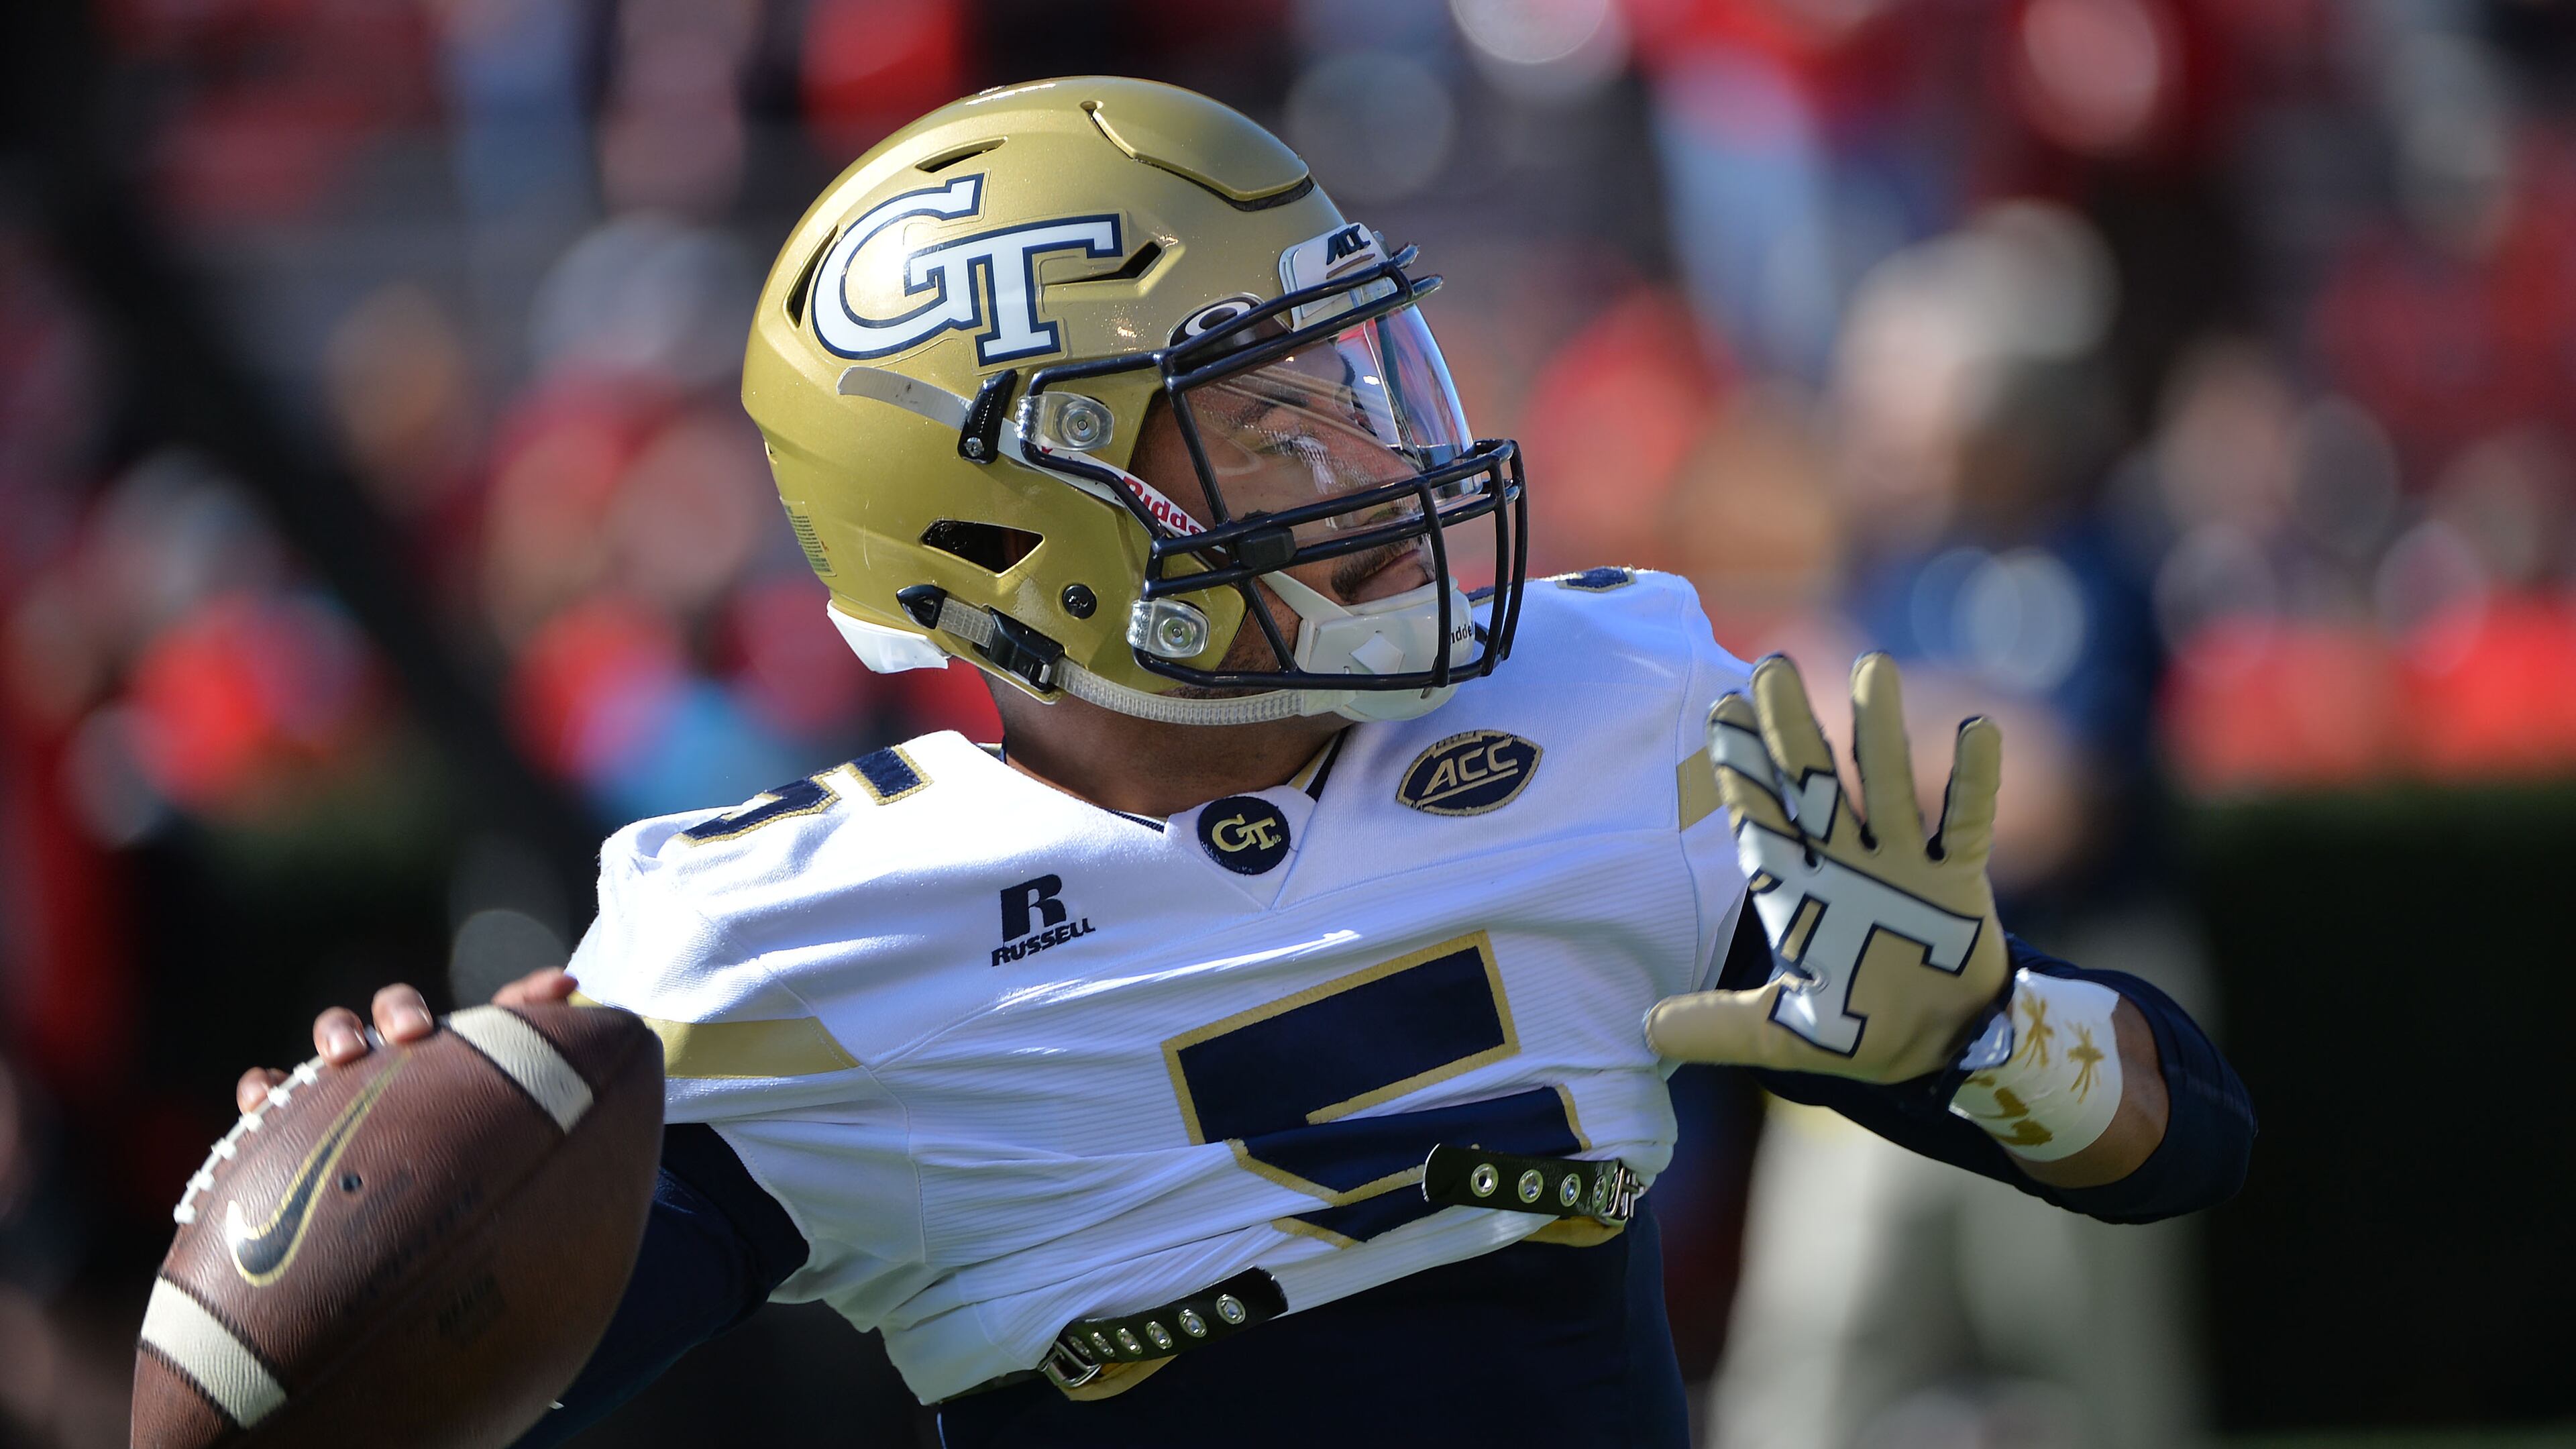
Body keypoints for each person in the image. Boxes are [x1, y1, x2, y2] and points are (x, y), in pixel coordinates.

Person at [228, 78, 2252, 1447]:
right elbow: (408, 1381)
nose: (1373, 462)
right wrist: (344, 1217)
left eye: (1350, 379)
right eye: (1266, 423)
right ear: (1016, 535)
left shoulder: (1598, 707)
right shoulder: (785, 935)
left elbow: (2189, 1141)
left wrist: (1986, 1035)